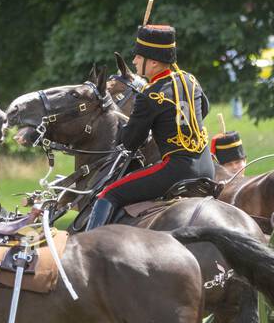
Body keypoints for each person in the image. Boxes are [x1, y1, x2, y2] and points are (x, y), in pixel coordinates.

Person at [85, 24, 213, 229]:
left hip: (177, 171)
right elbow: (204, 109)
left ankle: (89, 245)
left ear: (153, 62)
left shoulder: (151, 94)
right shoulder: (190, 79)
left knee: (109, 194)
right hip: (207, 167)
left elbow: (130, 142)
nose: (134, 61)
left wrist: (123, 124)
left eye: (138, 57)